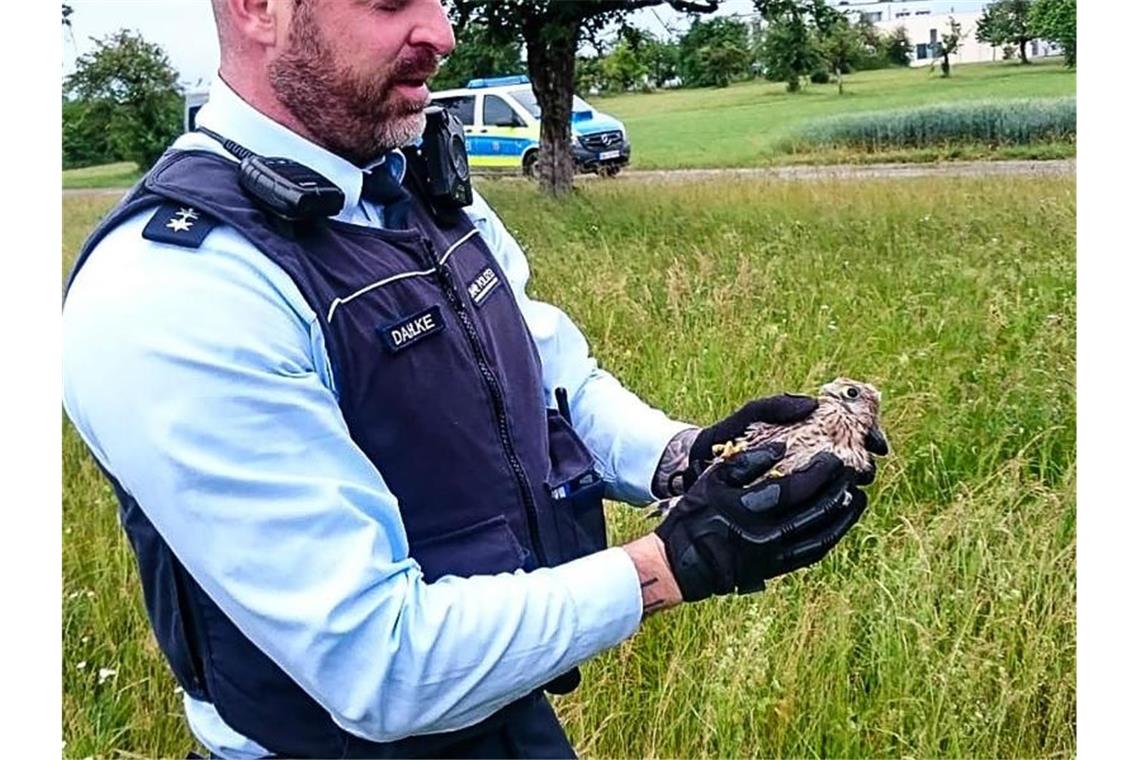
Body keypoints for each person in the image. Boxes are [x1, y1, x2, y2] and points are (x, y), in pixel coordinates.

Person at [61, 1, 884, 758]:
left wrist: (685, 457)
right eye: (390, 1)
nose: (442, 32)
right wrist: (676, 560)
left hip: (507, 716)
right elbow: (379, 665)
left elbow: (552, 376)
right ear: (258, 9)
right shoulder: (174, 289)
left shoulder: (412, 180)